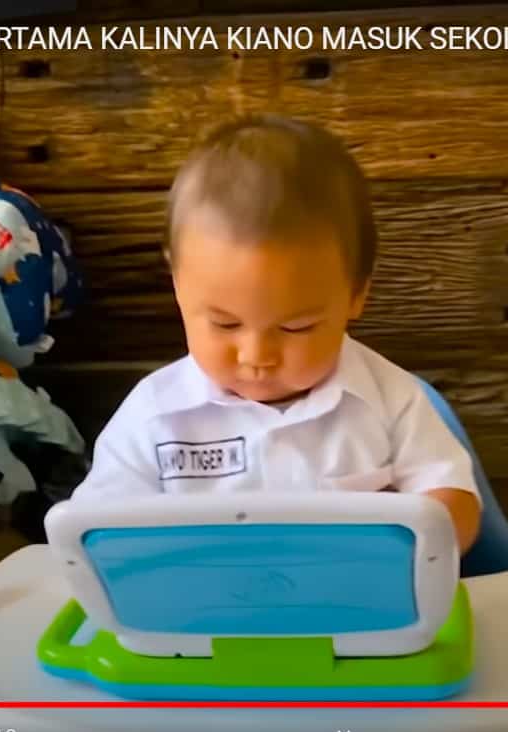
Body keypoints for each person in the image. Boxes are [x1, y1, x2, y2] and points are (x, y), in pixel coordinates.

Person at [68, 114, 482, 553]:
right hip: (206, 595)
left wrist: (418, 542)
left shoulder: (391, 400)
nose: (256, 355)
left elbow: (453, 498)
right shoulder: (154, 416)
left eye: (295, 327)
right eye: (225, 324)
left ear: (356, 295)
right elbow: (94, 530)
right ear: (178, 287)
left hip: (352, 592)